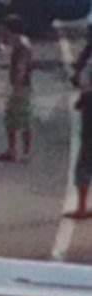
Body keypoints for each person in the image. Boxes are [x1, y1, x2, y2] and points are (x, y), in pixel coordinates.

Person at [0, 14, 33, 163]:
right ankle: (12, 150)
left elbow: (21, 67)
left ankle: (25, 152)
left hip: (21, 88)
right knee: (10, 119)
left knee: (23, 119)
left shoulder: (22, 45)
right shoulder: (19, 43)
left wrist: (16, 87)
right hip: (18, 86)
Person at [66, 83, 92, 220]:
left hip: (89, 139)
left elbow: (77, 106)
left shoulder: (87, 95)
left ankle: (81, 208)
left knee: (83, 170)